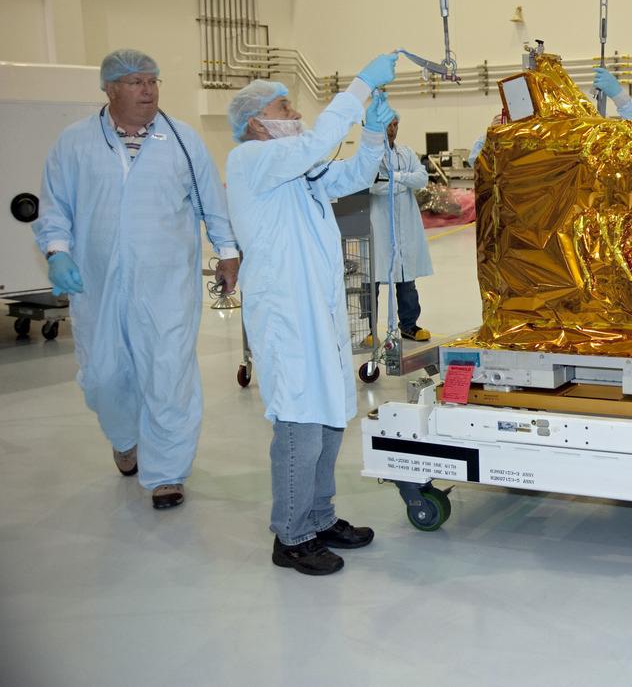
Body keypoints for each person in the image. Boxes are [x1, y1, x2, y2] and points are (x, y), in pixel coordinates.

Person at [33, 49, 238, 511]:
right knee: (103, 375)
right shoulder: (74, 143)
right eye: (135, 82)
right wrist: (57, 252)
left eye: (153, 81)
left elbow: (211, 203)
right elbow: (55, 207)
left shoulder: (182, 140)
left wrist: (227, 254)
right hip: (98, 283)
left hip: (166, 284)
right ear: (109, 89)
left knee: (169, 375)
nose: (148, 90)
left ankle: (166, 473)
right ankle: (124, 438)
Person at [224, 52, 399, 576]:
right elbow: (319, 142)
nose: (294, 111)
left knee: (327, 419)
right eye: (285, 105)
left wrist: (371, 134)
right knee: (300, 423)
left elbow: (353, 173)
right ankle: (292, 536)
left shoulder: (298, 175)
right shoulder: (251, 161)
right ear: (257, 121)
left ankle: (320, 518)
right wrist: (359, 87)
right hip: (286, 315)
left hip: (316, 316)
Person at [370, 113, 433, 342]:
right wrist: (402, 182)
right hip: (379, 225)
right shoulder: (368, 154)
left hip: (404, 225)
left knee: (406, 278)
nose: (393, 129)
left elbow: (421, 179)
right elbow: (373, 185)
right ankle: (370, 330)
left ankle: (409, 324)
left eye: (396, 124)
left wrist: (394, 177)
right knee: (373, 278)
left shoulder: (406, 153)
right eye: (389, 125)